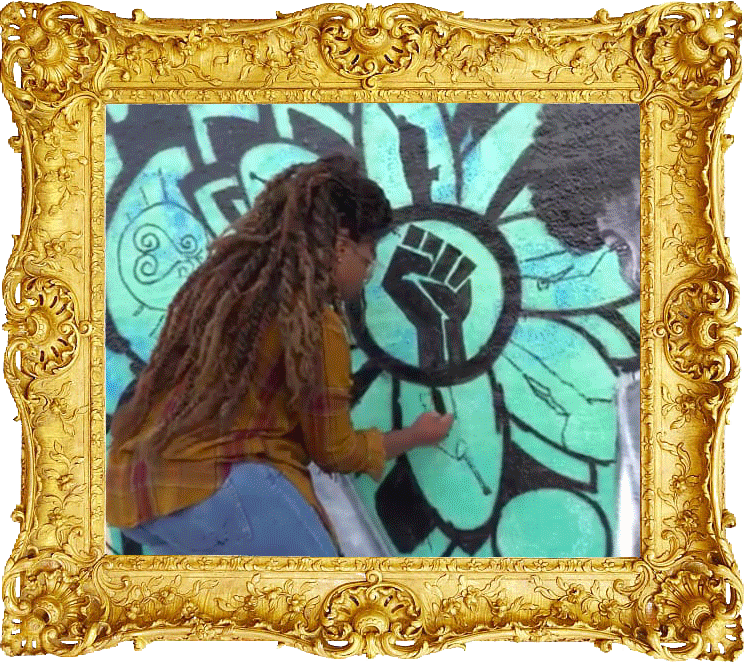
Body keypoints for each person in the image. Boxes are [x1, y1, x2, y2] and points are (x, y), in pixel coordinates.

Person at [106, 153, 455, 556]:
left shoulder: (220, 297)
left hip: (138, 494)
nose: (368, 269)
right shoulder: (314, 325)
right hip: (223, 491)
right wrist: (414, 436)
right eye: (369, 254)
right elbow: (335, 451)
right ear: (341, 247)